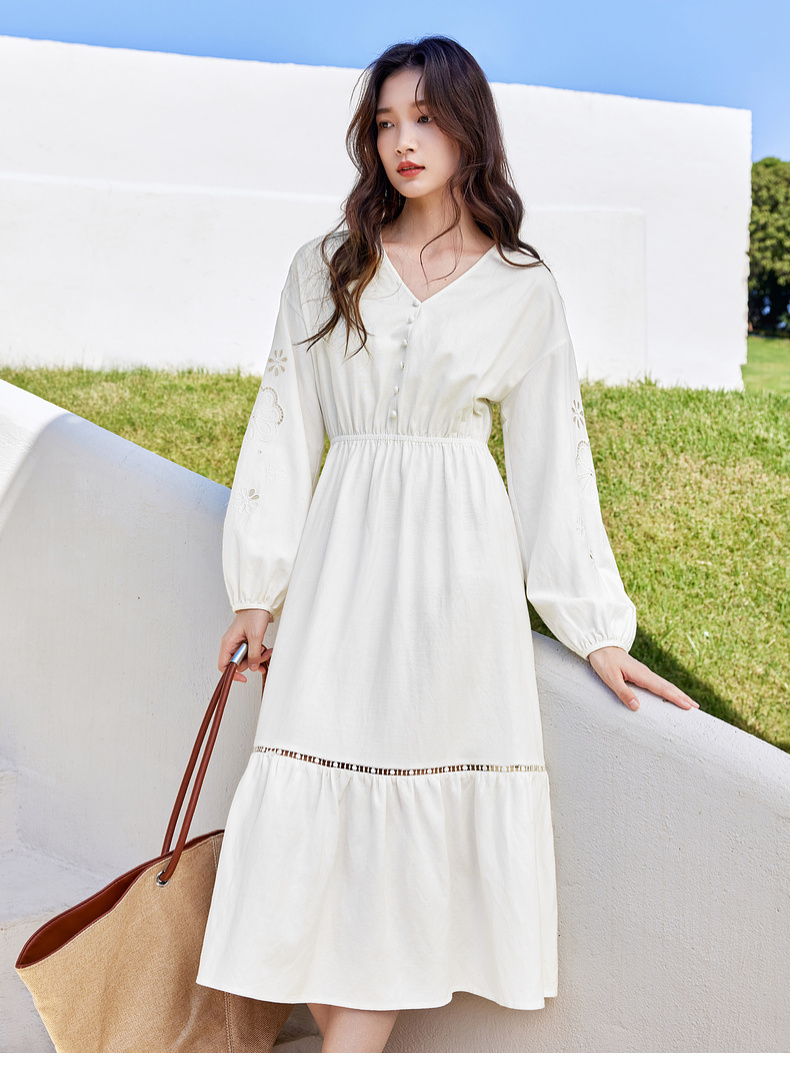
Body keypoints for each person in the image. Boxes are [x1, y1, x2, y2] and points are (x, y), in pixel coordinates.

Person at [196, 36, 698, 1053]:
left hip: (456, 582)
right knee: (318, 808)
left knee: (410, 825)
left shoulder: (521, 286)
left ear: (469, 127)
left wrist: (595, 628)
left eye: (424, 117)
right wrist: (256, 588)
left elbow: (554, 461)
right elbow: (282, 428)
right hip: (340, 571)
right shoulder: (326, 267)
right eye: (386, 122)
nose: (402, 141)